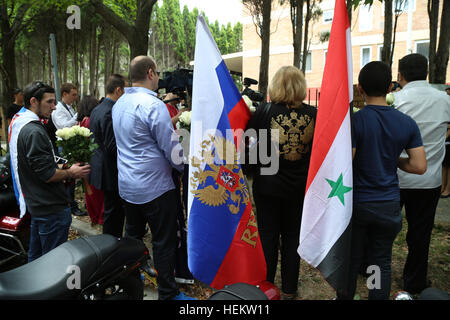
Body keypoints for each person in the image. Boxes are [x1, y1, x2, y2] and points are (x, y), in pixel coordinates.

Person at [341, 61, 427, 300]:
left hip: (358, 204)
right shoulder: (406, 123)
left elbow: (347, 162)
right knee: (379, 262)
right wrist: (393, 160)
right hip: (388, 204)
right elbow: (420, 166)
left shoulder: (355, 122)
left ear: (360, 89)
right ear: (390, 87)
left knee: (352, 259)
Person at [112, 56, 193, 300]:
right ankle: (167, 293)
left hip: (128, 186)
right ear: (150, 73)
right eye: (157, 73)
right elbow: (170, 147)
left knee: (133, 237)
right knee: (163, 242)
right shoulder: (152, 105)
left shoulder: (119, 104)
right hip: (155, 188)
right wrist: (183, 166)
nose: (159, 78)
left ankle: (131, 284)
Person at [246, 66, 316, 300]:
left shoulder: (263, 112)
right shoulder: (314, 115)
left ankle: (267, 288)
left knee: (267, 235)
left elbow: (249, 150)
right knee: (292, 237)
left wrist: (250, 172)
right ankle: (289, 288)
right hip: (300, 187)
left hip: (268, 187)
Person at [9, 81, 90, 262]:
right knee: (53, 264)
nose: (54, 107)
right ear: (33, 101)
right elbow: (47, 174)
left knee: (37, 261)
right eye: (50, 102)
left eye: (54, 102)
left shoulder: (24, 125)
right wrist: (72, 173)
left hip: (40, 207)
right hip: (50, 208)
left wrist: (64, 166)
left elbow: (37, 166)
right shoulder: (33, 131)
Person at [393, 53, 450, 294]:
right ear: (426, 72)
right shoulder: (444, 100)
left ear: (400, 75)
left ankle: (371, 267)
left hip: (397, 176)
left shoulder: (396, 100)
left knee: (383, 228)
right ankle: (414, 280)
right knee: (421, 233)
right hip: (429, 179)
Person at [89, 74, 126, 237]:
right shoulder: (111, 111)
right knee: (114, 212)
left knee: (112, 210)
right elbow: (112, 146)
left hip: (101, 166)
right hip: (110, 169)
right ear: (118, 90)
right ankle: (112, 243)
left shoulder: (98, 108)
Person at [51, 83, 85, 217]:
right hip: (64, 146)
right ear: (64, 94)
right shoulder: (58, 109)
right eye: (73, 95)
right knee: (68, 175)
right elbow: (62, 126)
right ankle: (70, 205)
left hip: (71, 144)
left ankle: (71, 203)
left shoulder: (69, 107)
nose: (75, 97)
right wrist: (77, 116)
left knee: (73, 176)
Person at [77, 95, 104, 227]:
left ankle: (94, 216)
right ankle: (99, 218)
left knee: (90, 191)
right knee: (96, 191)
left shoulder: (80, 122)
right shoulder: (89, 121)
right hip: (93, 159)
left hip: (84, 159)